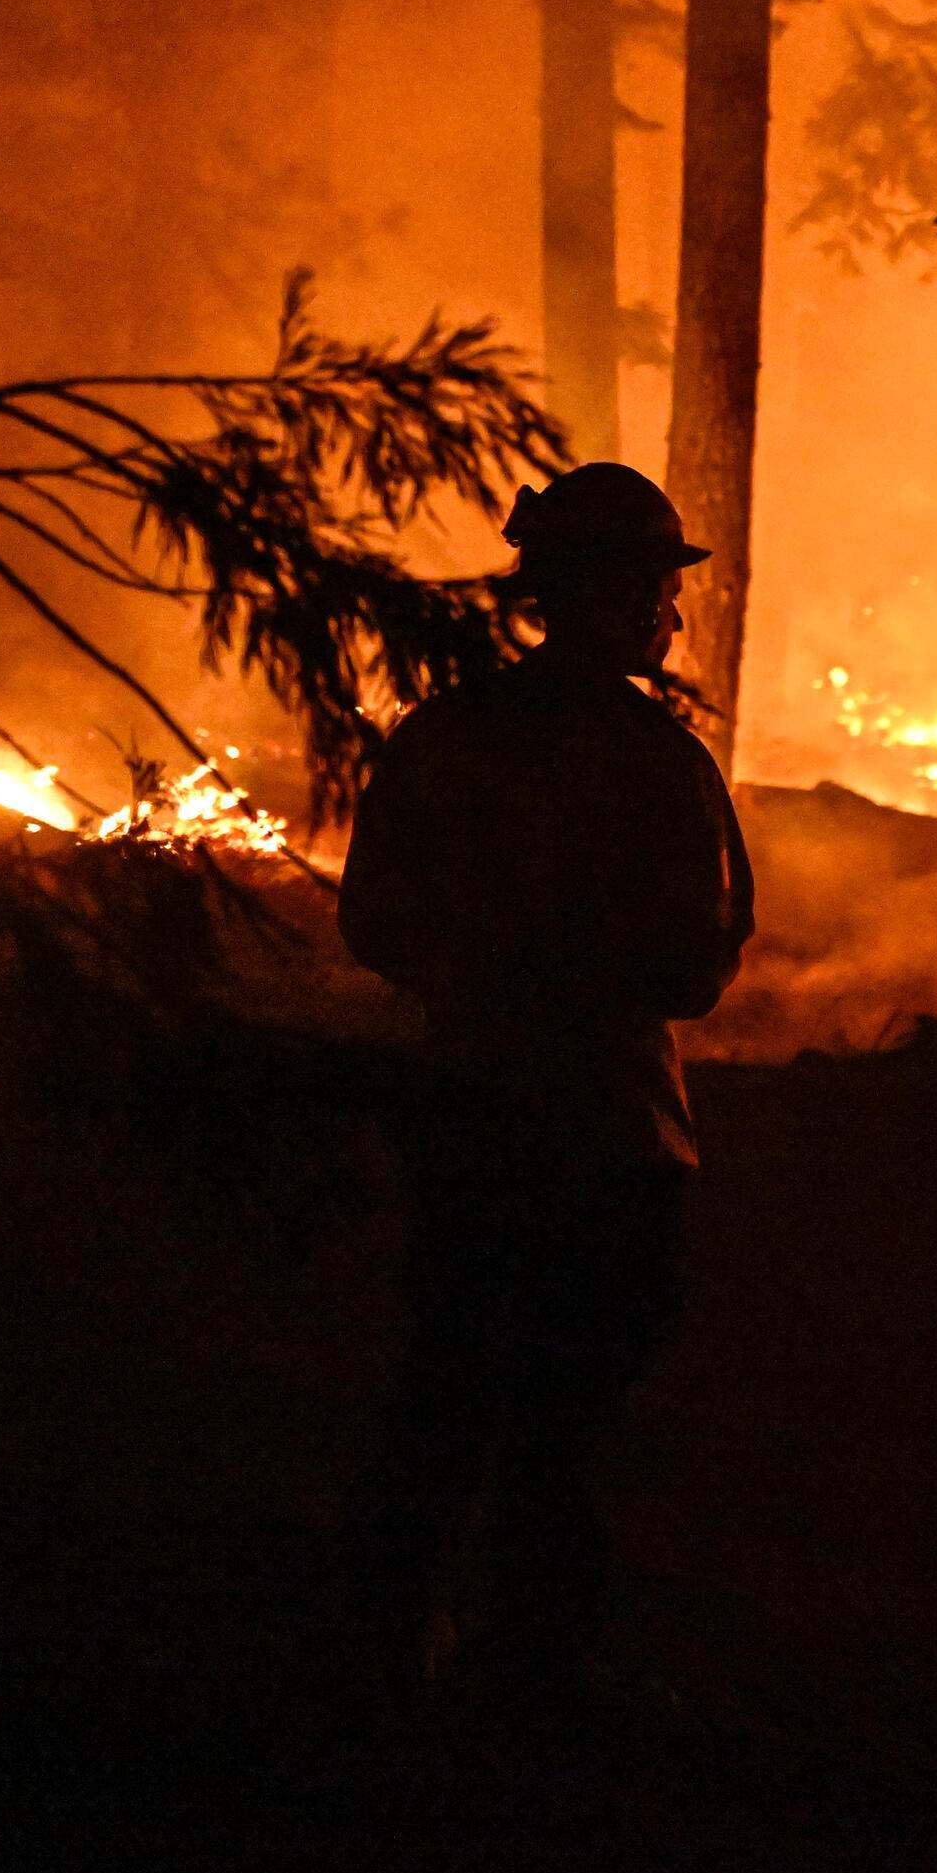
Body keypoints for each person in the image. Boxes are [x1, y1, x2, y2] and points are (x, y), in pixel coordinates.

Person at [338, 461, 755, 1717]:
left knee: (445, 1385)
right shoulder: (656, 765)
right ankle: (534, 1674)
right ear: (618, 597)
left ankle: (389, 1645)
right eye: (656, 589)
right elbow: (696, 967)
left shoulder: (444, 739)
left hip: (468, 1115)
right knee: (568, 1419)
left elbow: (374, 924)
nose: (670, 616)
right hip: (612, 1139)